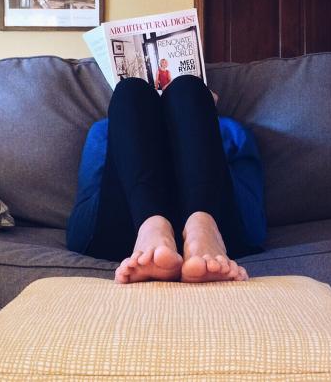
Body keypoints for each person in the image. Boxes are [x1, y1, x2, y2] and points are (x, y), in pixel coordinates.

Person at [67, 75, 266, 284]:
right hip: (123, 231)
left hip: (221, 233)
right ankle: (151, 227)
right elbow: (87, 202)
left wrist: (198, 116)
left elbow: (253, 214)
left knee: (187, 87)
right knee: (130, 90)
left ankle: (202, 228)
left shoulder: (229, 130)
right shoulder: (104, 130)